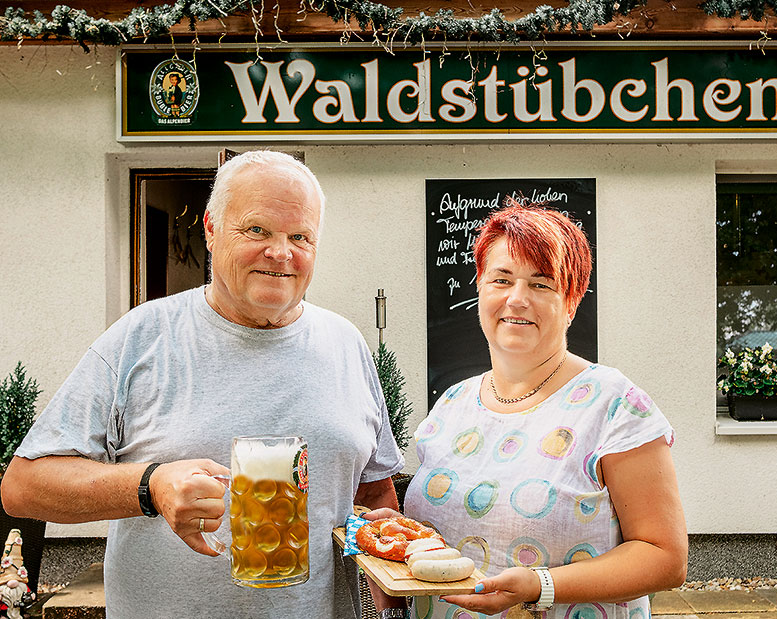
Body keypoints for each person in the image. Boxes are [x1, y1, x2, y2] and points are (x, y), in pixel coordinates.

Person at [0, 150, 407, 619]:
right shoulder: (142, 337)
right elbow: (23, 487)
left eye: (300, 236)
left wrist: (392, 579)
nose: (281, 252)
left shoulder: (346, 343)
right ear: (211, 229)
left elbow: (374, 494)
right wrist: (148, 485)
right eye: (257, 230)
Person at [370, 203, 687, 619]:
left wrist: (540, 586)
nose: (517, 299)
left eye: (541, 284)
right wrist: (395, 533)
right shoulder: (452, 404)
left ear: (571, 302)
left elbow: (665, 558)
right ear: (480, 289)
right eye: (501, 280)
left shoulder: (614, 404)